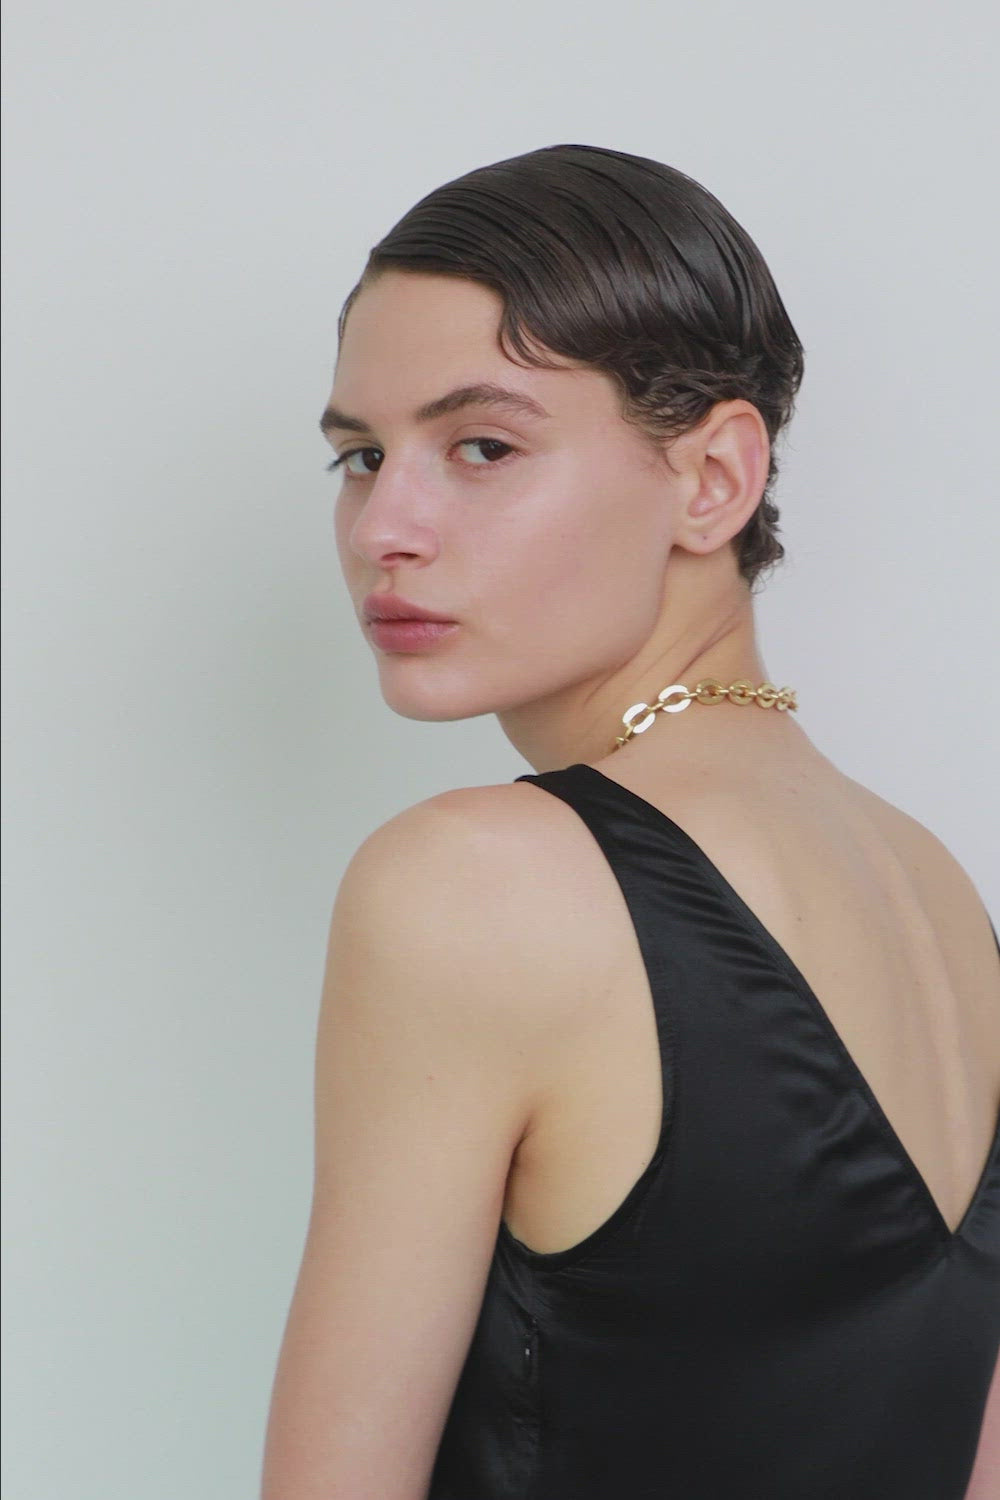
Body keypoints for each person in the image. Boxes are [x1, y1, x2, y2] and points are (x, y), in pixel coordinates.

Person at [260, 144, 1000, 1499]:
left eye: (482, 446)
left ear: (713, 478)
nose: (383, 529)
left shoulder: (475, 881)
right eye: (361, 456)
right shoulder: (939, 895)